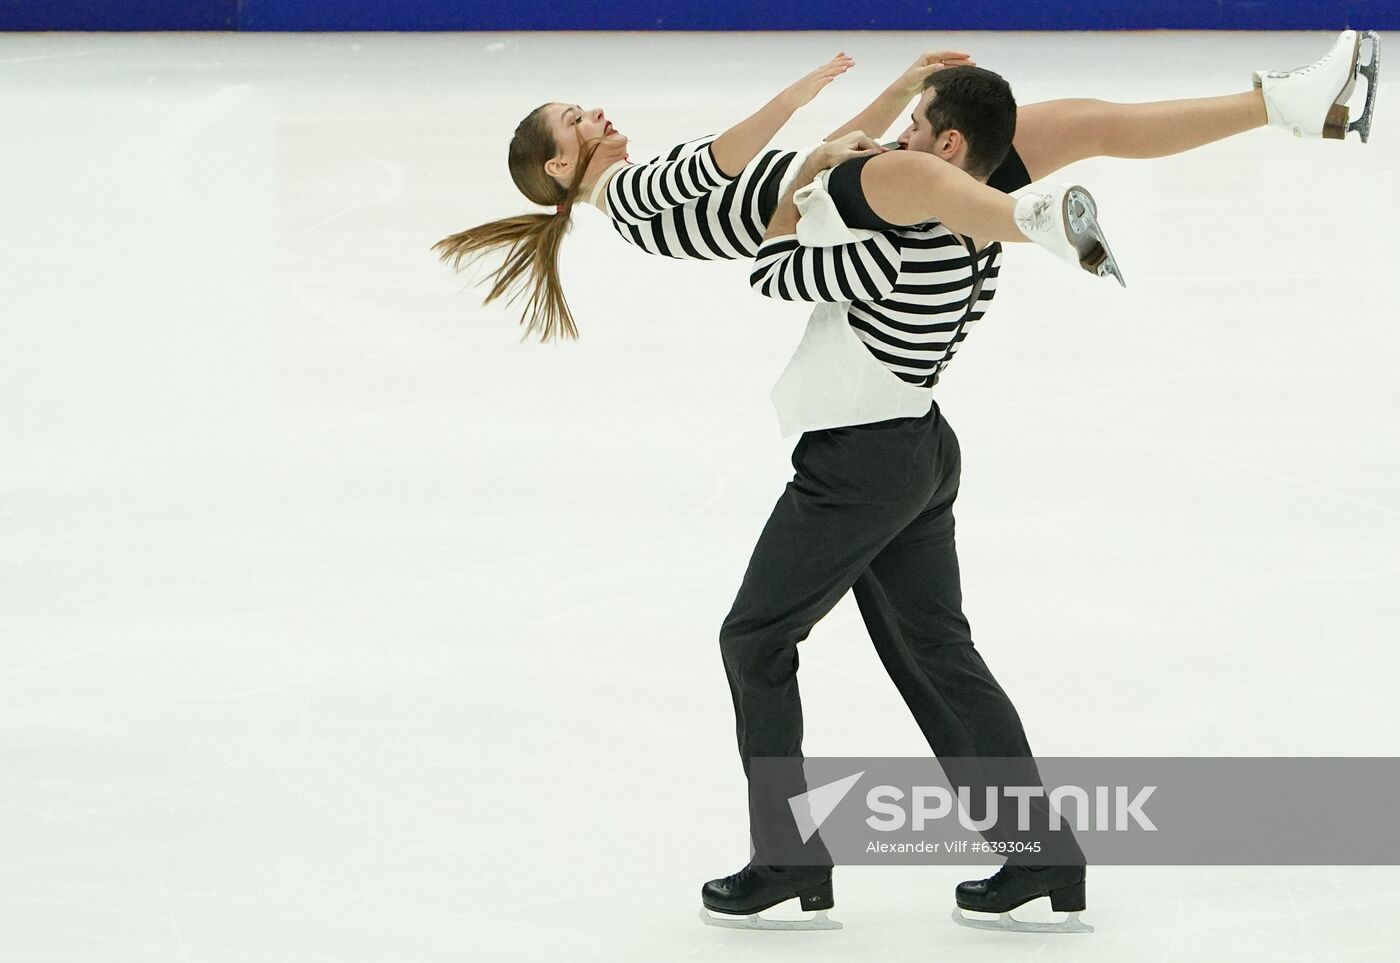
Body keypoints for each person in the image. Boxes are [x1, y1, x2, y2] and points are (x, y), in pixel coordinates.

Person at [436, 31, 1379, 343]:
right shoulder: (632, 198)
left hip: (838, 189)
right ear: (562, 167)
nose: (595, 117)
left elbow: (774, 167)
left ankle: (1295, 107)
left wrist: (899, 92)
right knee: (963, 163)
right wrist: (806, 93)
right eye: (576, 124)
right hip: (828, 219)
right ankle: (1028, 219)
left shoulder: (636, 189)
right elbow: (734, 163)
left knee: (1075, 121)